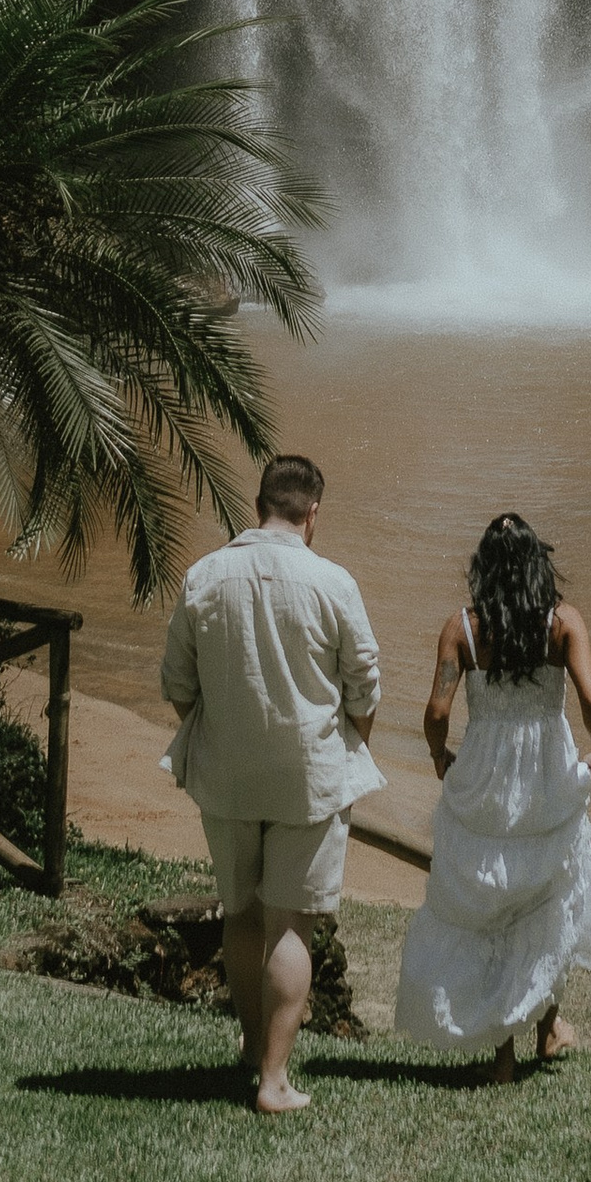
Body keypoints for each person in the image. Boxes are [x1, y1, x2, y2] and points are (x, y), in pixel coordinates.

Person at [160, 451, 384, 1114]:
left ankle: (253, 1044)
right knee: (291, 924)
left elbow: (177, 684)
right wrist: (351, 745)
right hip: (309, 774)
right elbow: (365, 685)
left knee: (241, 913)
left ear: (259, 504)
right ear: (312, 514)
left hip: (226, 773)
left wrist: (226, 730)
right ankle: (274, 1080)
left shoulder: (204, 576)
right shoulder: (332, 582)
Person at [393, 510, 591, 1084]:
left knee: (494, 901)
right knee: (548, 889)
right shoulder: (562, 624)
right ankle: (549, 1029)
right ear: (540, 563)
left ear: (482, 570)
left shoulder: (461, 629)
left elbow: (437, 711)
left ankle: (509, 1050)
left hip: (487, 777)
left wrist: (442, 759)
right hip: (544, 775)